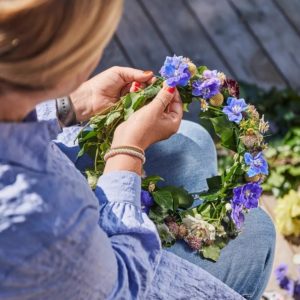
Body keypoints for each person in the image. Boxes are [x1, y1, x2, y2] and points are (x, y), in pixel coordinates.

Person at [0, 1, 275, 299]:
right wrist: (127, 152)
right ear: (61, 64)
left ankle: (183, 227)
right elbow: (121, 284)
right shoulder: (33, 219)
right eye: (96, 44)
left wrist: (71, 104)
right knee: (256, 234)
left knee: (192, 141)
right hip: (106, 270)